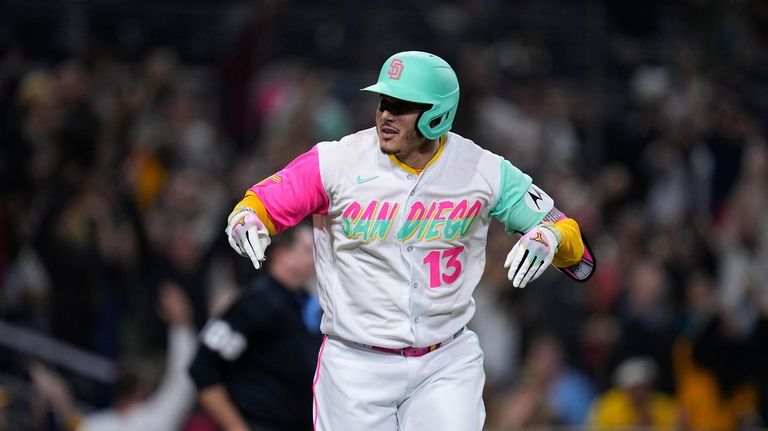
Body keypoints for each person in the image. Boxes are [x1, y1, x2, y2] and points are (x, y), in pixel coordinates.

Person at [225, 50, 595, 431]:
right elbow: (261, 202)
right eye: (384, 101)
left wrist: (549, 236)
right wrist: (245, 218)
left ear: (439, 114)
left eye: (402, 106)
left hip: (445, 360)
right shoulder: (336, 161)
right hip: (356, 363)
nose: (386, 114)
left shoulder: (483, 169)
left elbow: (576, 250)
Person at [188, 223, 322, 431]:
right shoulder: (257, 302)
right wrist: (237, 427)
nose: (315, 256)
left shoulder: (304, 301)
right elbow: (203, 367)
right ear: (281, 254)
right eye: (307, 249)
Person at [29, 282, 197, 431]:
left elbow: (70, 418)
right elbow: (182, 383)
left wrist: (58, 401)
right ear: (140, 391)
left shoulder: (93, 425)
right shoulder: (150, 421)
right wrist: (180, 325)